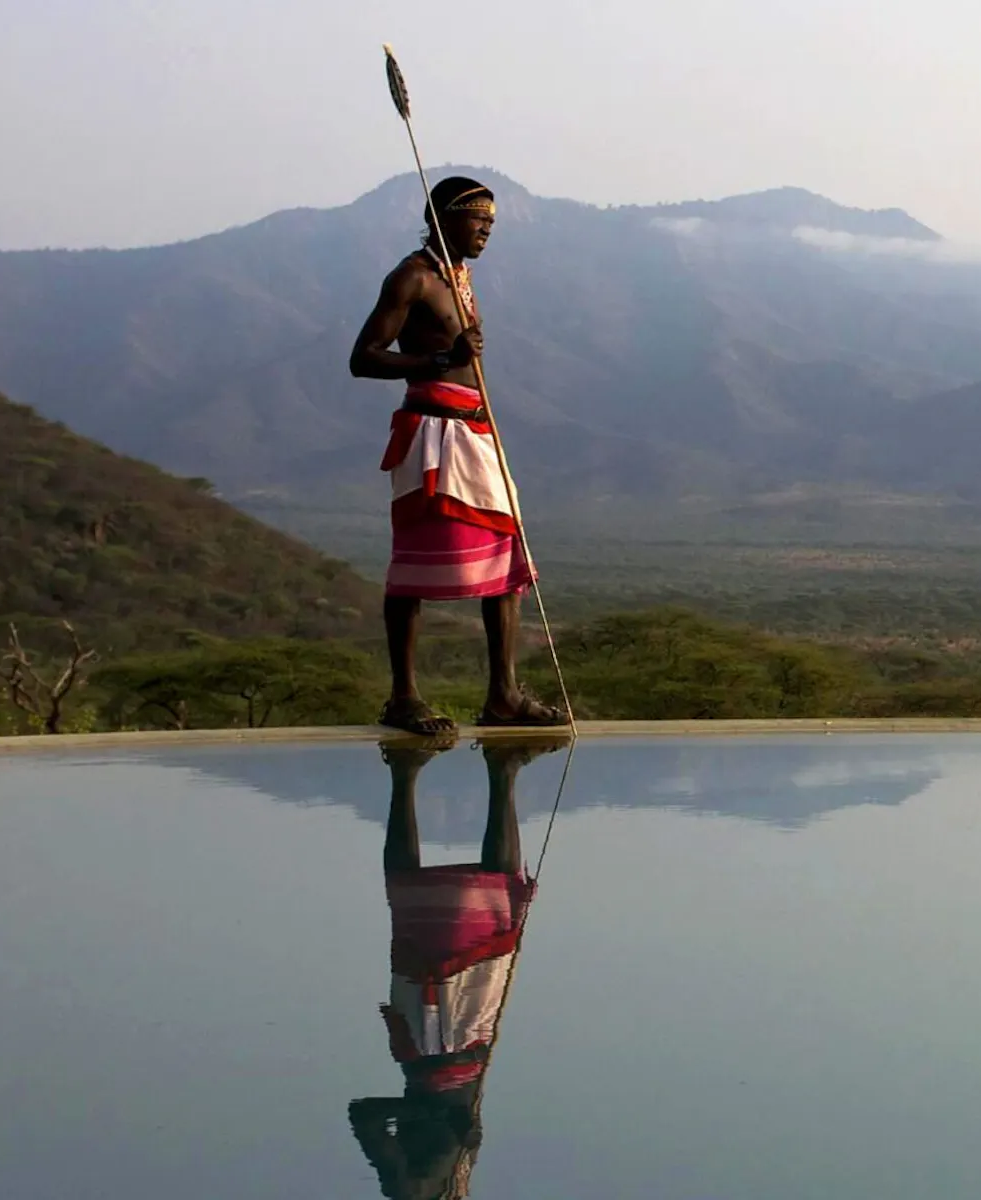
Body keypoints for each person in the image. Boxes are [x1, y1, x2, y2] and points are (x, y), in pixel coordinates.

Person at [349, 175, 566, 735]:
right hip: (431, 436)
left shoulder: (461, 278)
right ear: (445, 219)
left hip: (476, 433)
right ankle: (403, 697)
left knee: (506, 562)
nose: (487, 231)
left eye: (493, 223)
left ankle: (503, 696)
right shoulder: (412, 279)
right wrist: (439, 359)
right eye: (478, 220)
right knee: (414, 566)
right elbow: (364, 358)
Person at [347, 737, 559, 1199]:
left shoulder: (410, 1191)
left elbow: (361, 1114)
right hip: (459, 1053)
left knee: (429, 913)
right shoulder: (449, 1189)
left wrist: (424, 1114)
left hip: (430, 1047)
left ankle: (439, 773)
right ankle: (491, 774)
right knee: (489, 920)